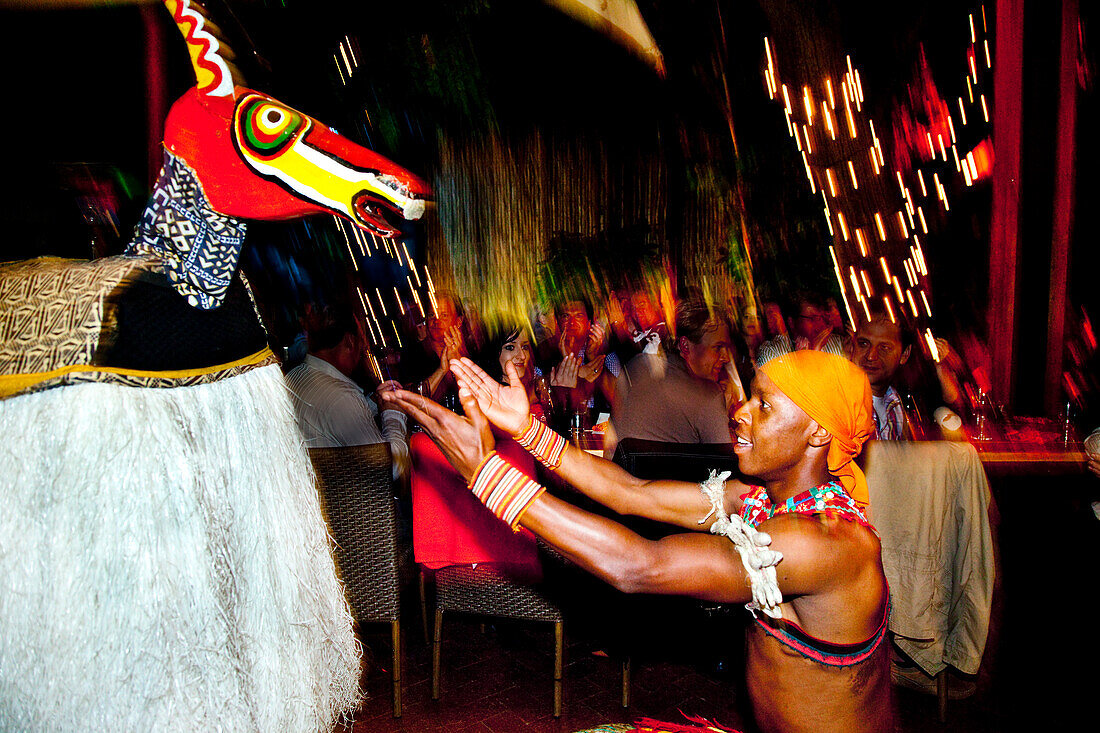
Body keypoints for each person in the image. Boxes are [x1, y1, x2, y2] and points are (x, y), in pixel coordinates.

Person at [383, 350, 892, 733]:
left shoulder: (826, 544)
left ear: (818, 435)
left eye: (764, 405)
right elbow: (632, 491)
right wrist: (526, 430)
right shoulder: (761, 500)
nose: (740, 411)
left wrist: (488, 476)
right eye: (749, 396)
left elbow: (640, 566)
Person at [284, 308, 409, 480]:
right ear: (350, 341)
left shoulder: (295, 375)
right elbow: (391, 468)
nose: (363, 350)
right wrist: (393, 414)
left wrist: (372, 403)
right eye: (361, 342)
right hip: (348, 502)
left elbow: (332, 422)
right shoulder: (341, 397)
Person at [609, 298, 735, 454]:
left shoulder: (635, 368)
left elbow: (611, 446)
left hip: (621, 475)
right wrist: (722, 411)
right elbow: (726, 469)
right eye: (718, 347)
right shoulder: (708, 394)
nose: (726, 357)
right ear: (685, 345)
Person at [848, 308, 964, 440]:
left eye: (884, 347)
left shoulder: (894, 402)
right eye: (863, 344)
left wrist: (940, 365)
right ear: (852, 345)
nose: (871, 356)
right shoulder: (842, 404)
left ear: (905, 355)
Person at [477, 324, 553, 424]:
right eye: (510, 347)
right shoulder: (488, 400)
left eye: (525, 347)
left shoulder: (537, 387)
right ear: (492, 351)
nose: (522, 356)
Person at [756, 293, 847, 366]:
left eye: (822, 318)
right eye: (813, 318)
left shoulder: (837, 343)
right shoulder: (773, 352)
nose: (820, 324)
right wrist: (812, 357)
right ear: (792, 322)